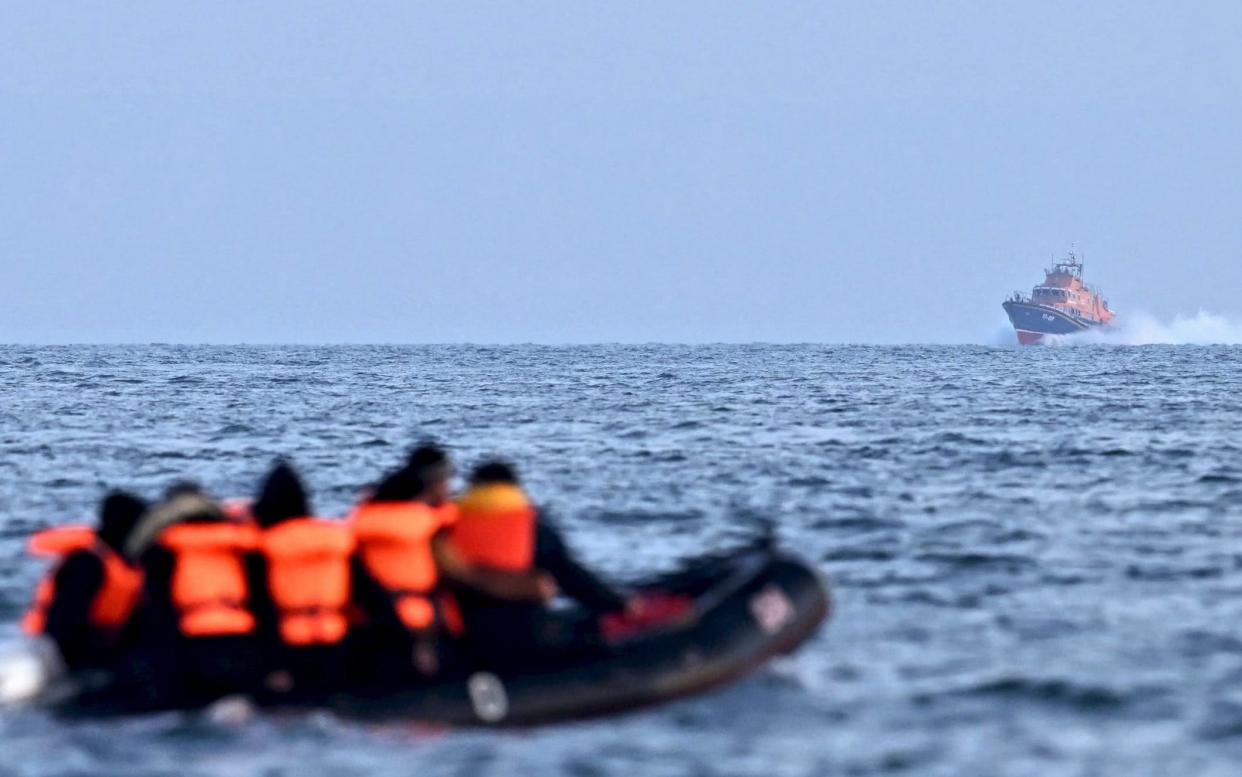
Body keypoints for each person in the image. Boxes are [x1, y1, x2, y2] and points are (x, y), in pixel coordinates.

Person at [350, 443, 548, 682]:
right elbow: (460, 574)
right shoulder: (428, 526)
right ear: (435, 483)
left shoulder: (362, 520)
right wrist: (527, 589)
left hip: (368, 630)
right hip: (425, 631)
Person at [448, 460, 630, 669]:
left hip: (466, 637)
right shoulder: (530, 522)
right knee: (588, 629)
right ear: (514, 487)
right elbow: (570, 576)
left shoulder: (449, 526)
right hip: (527, 633)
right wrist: (619, 605)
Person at [126, 481, 265, 708]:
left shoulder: (163, 549)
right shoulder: (238, 545)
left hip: (188, 648)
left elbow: (153, 610)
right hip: (241, 644)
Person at [250, 460, 354, 698]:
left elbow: (262, 608)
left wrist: (272, 664)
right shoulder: (335, 540)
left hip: (288, 648)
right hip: (336, 642)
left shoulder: (265, 545)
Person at [22, 491, 147, 672]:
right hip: (55, 652)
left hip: (98, 651)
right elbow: (64, 623)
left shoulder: (127, 565)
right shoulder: (86, 564)